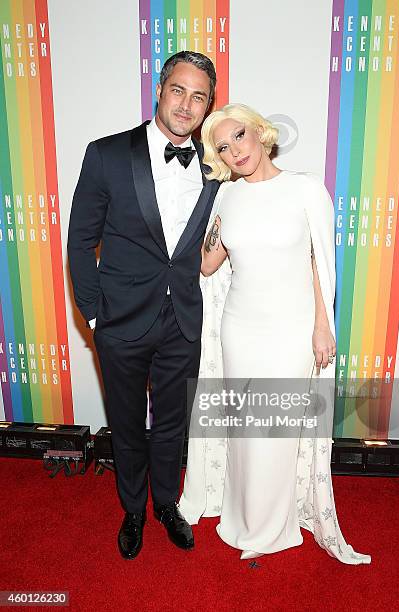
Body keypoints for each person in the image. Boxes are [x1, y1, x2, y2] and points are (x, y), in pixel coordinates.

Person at [179, 104, 371, 565]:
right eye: (222, 147)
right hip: (240, 328)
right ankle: (243, 517)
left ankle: (272, 528)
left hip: (291, 328)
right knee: (246, 430)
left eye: (239, 136)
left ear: (261, 133)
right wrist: (210, 221)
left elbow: (320, 264)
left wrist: (322, 327)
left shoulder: (304, 188)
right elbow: (207, 264)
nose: (234, 150)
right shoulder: (226, 197)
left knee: (278, 433)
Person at [67, 51, 220, 560]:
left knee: (172, 424)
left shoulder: (216, 168)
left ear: (207, 105)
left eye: (199, 96)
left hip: (183, 322)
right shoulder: (107, 154)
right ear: (160, 89)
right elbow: (80, 241)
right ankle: (132, 509)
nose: (186, 103)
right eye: (179, 90)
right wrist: (94, 318)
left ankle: (165, 504)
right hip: (121, 323)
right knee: (128, 423)